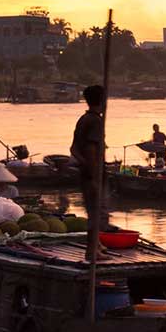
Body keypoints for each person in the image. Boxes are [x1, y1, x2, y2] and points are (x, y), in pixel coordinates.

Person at [71, 85, 107, 228]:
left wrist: (84, 167)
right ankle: (95, 246)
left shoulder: (83, 119)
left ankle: (96, 245)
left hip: (86, 173)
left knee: (93, 213)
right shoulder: (95, 121)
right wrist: (93, 176)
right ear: (102, 101)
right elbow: (90, 150)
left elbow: (73, 149)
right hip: (94, 174)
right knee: (100, 214)